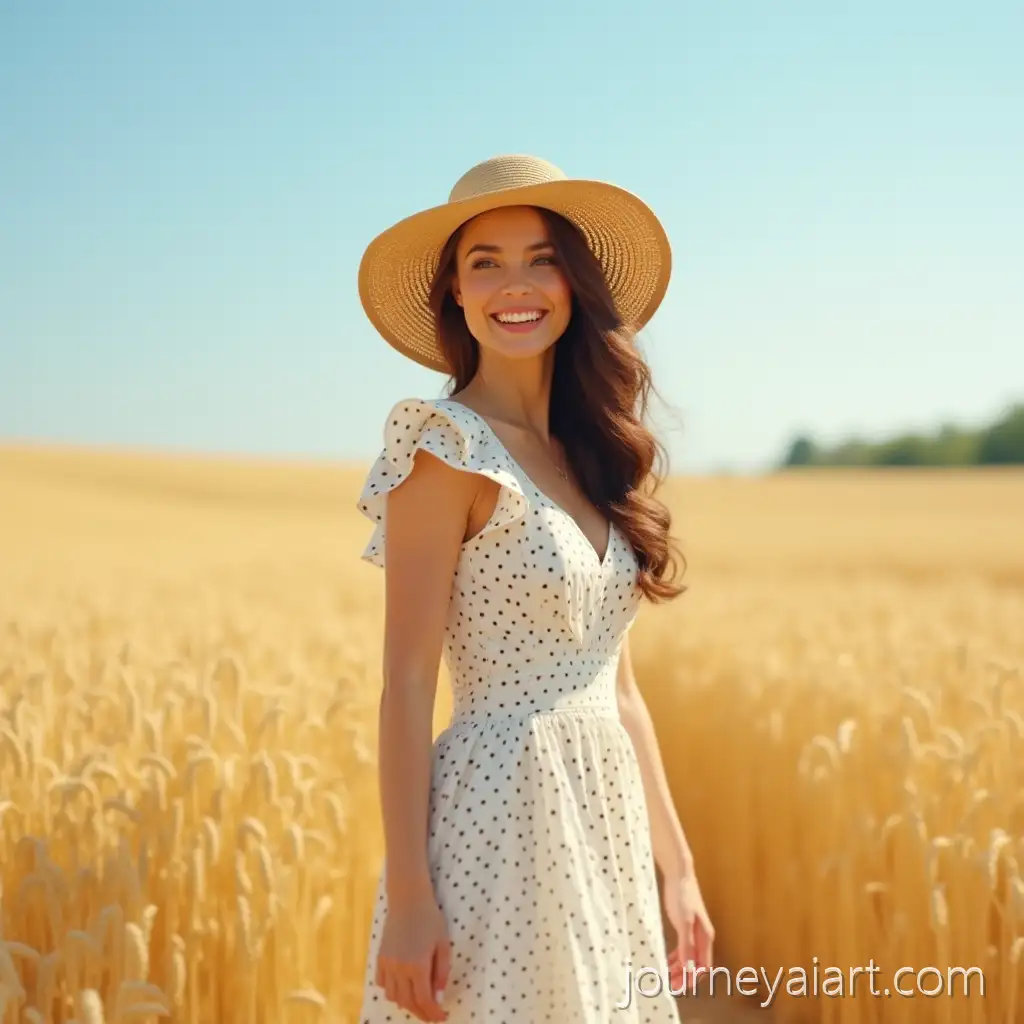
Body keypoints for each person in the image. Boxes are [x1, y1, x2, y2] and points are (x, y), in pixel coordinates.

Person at [353, 154, 714, 1023]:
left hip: (608, 816)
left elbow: (621, 691)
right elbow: (406, 683)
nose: (516, 284)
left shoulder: (595, 457)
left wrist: (680, 865)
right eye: (486, 262)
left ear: (574, 283)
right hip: (500, 814)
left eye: (541, 257)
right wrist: (409, 896)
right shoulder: (444, 449)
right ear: (455, 294)